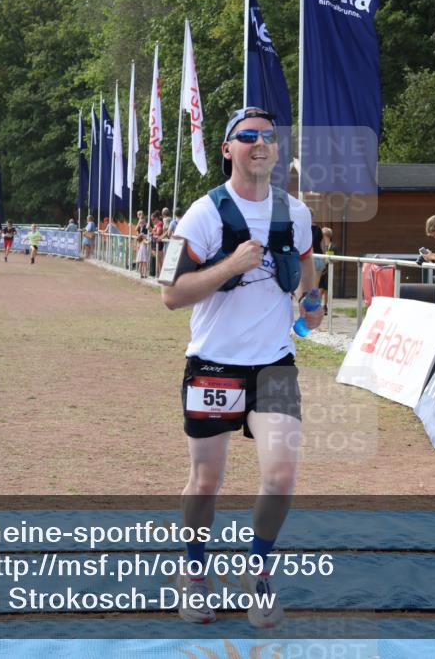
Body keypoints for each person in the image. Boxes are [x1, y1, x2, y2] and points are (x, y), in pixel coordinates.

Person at [161, 107, 322, 628]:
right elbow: (171, 294)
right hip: (213, 367)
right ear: (228, 149)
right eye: (247, 136)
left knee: (280, 475)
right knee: (206, 480)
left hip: (275, 366)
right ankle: (194, 576)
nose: (260, 144)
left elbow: (307, 261)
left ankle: (259, 573)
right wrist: (230, 265)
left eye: (269, 137)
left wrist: (312, 299)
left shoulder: (295, 212)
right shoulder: (203, 215)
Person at [318, 227, 336, 312]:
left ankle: (324, 306)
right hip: (320, 270)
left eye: (323, 235)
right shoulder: (320, 246)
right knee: (320, 289)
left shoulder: (333, 247)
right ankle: (318, 305)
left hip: (329, 270)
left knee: (326, 289)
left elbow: (337, 258)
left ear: (327, 236)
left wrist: (331, 259)